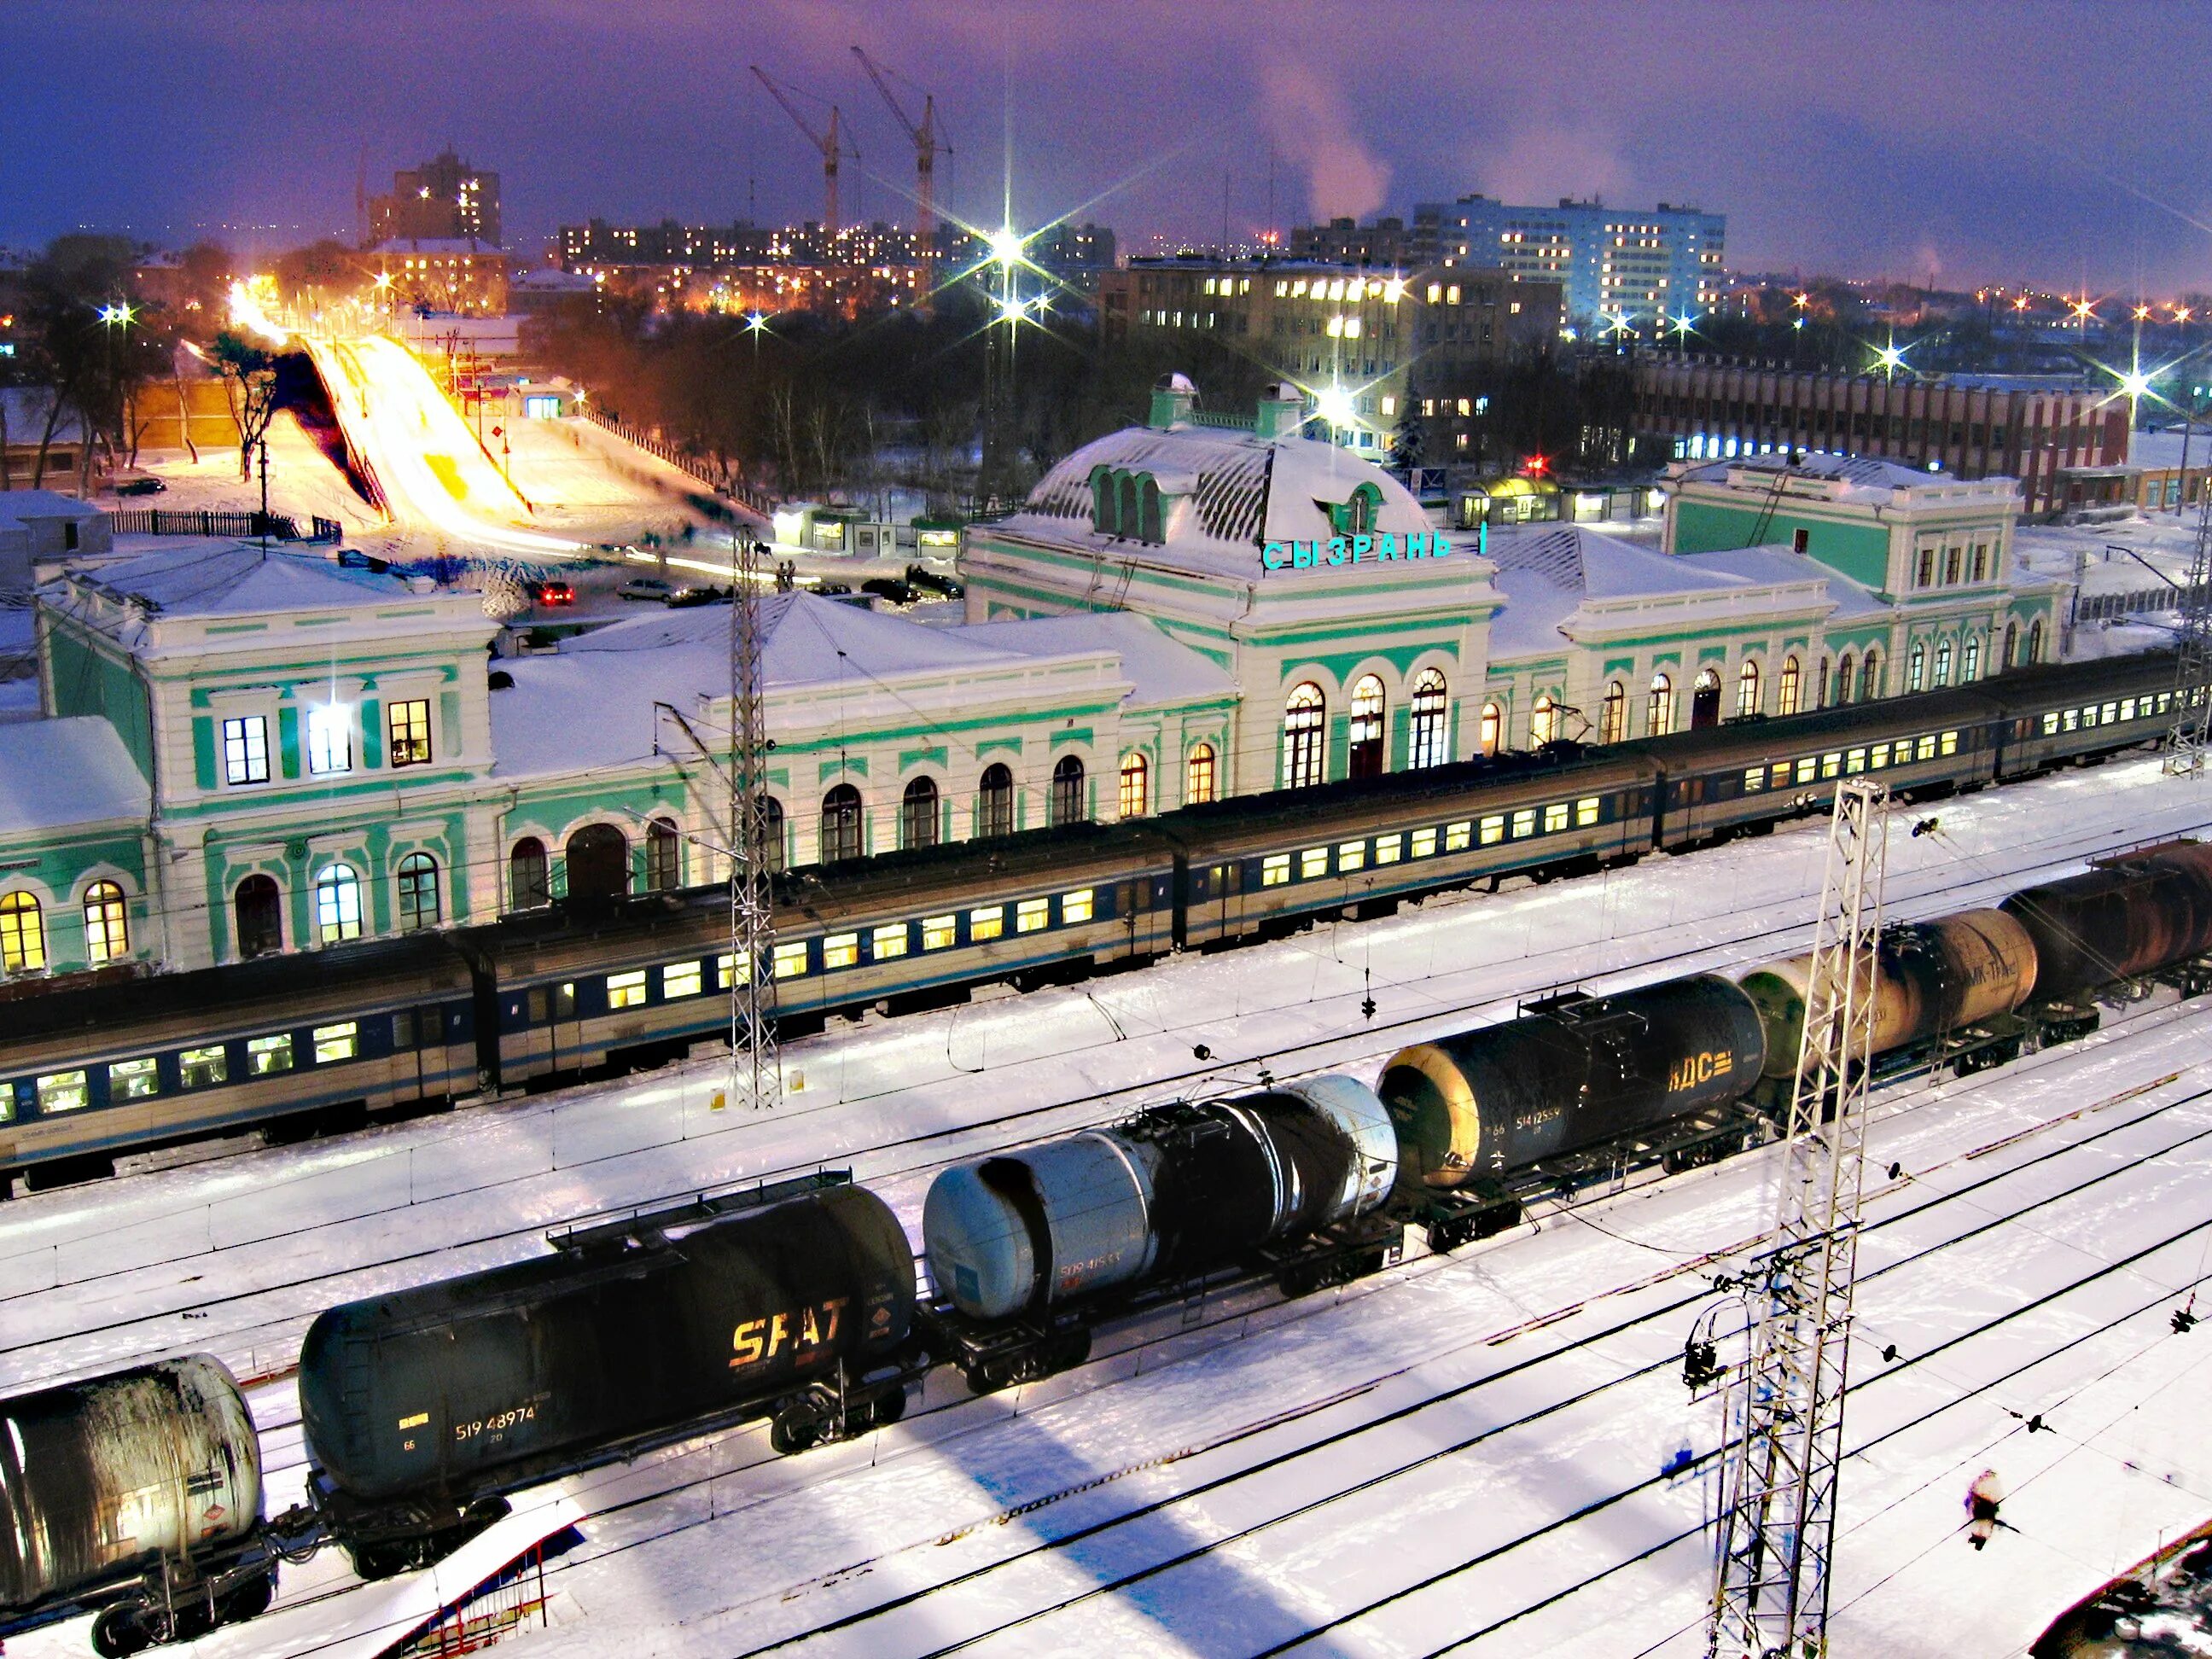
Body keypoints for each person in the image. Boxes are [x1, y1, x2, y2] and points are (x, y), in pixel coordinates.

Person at [1965, 1468, 2005, 1549]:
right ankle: (1978, 1537)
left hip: (1985, 1506)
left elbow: (1995, 1495)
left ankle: (1980, 1538)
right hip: (1982, 1506)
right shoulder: (1984, 1482)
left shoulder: (1991, 1483)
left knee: (1983, 1523)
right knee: (1979, 1523)